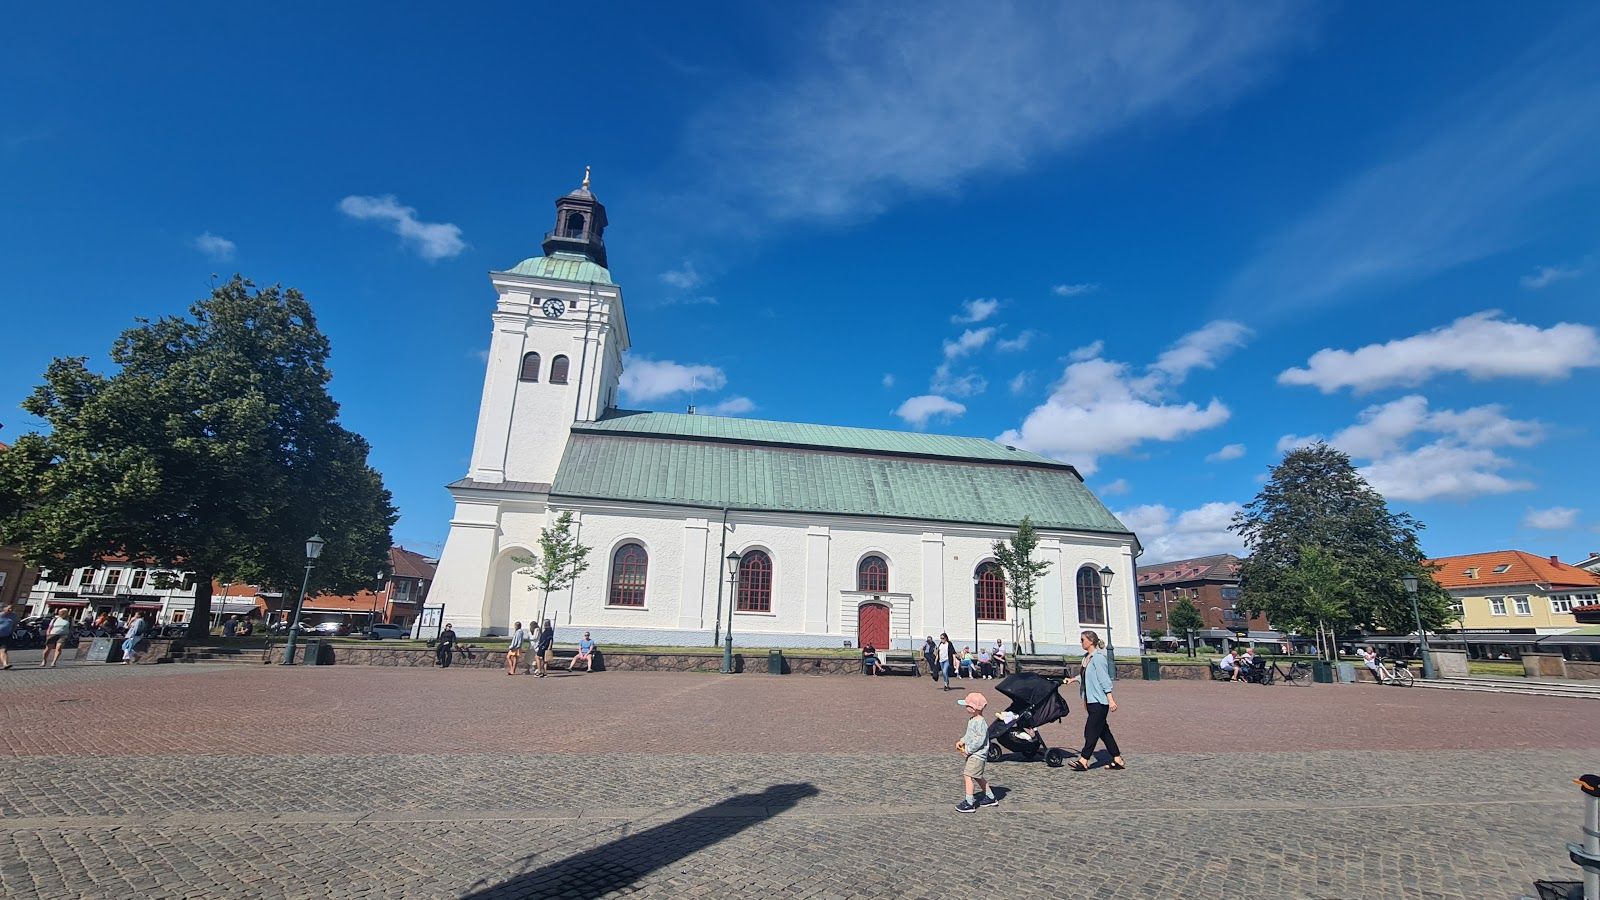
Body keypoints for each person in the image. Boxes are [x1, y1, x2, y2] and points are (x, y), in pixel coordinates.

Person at [1067, 630, 1125, 771]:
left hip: (1100, 702)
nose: (1081, 642)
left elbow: (1104, 679)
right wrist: (1073, 679)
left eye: (1082, 640)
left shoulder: (1098, 658)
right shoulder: (1086, 658)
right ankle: (1117, 759)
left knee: (1091, 730)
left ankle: (1084, 760)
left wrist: (1110, 700)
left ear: (1091, 641)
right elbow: (1086, 676)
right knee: (1103, 732)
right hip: (1090, 701)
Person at [954, 691, 998, 813]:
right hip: (975, 755)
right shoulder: (973, 719)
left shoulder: (979, 722)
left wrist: (968, 750)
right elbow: (969, 735)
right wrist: (962, 741)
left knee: (968, 776)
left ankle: (969, 802)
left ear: (973, 708)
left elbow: (979, 741)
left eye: (967, 706)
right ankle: (990, 797)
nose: (965, 707)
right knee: (978, 776)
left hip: (977, 755)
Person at [0, 604, 17, 670]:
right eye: (9, 608)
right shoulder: (0, 615)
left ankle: (5, 664)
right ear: (4, 608)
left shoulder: (14, 616)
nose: (10, 610)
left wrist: (12, 631)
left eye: (12, 608)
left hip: (5, 636)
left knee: (3, 650)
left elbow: (14, 625)